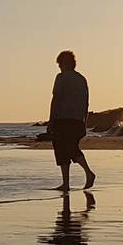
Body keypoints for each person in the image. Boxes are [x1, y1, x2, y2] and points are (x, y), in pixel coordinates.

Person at [47, 50, 96, 191]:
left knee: (63, 150)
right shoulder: (81, 79)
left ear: (63, 63)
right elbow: (86, 102)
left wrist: (51, 120)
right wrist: (84, 122)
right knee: (71, 147)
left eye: (60, 64)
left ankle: (86, 173)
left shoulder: (61, 78)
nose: (59, 67)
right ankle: (68, 182)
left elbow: (56, 99)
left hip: (63, 119)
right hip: (77, 120)